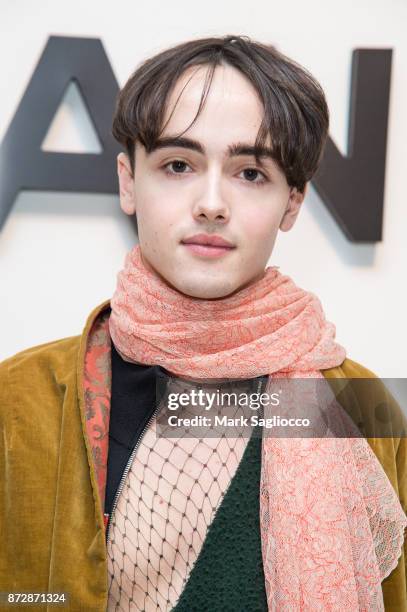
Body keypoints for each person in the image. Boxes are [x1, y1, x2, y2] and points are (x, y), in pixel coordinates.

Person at [0, 35, 406, 611]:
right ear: (127, 181)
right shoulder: (19, 402)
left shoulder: (354, 406)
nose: (211, 202)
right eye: (178, 165)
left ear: (293, 203)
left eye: (250, 173)